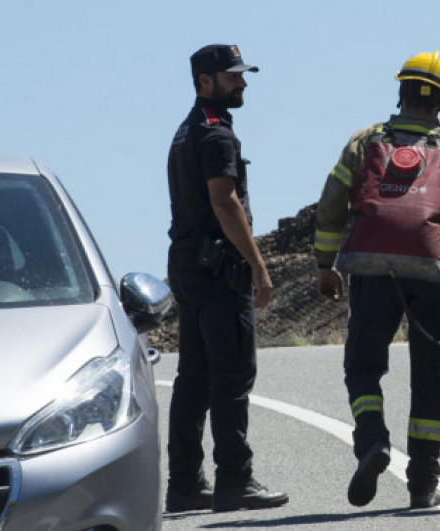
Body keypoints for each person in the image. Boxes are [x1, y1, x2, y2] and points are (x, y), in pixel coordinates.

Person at [314, 51, 440, 509]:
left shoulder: (365, 140)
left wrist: (325, 263)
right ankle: (422, 484)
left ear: (402, 91)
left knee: (362, 366)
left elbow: (333, 201)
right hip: (432, 270)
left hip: (371, 268)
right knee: (431, 377)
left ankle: (373, 440)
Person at [164, 44, 288, 513]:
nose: (242, 83)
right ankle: (235, 480)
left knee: (193, 378)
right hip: (218, 271)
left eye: (242, 74)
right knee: (232, 375)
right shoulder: (216, 135)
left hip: (189, 265)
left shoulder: (187, 130)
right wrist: (257, 265)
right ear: (204, 81)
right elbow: (225, 203)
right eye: (232, 76)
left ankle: (184, 485)